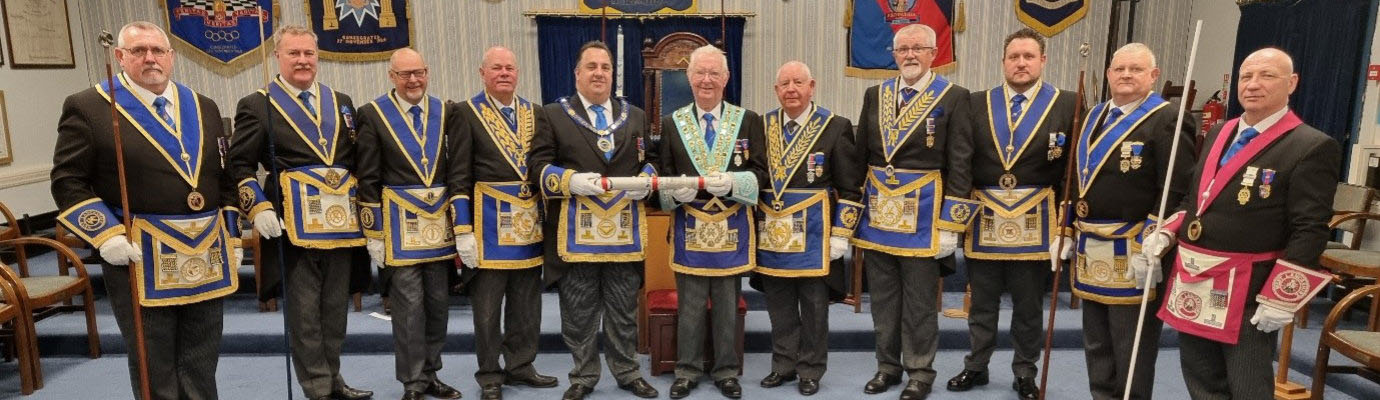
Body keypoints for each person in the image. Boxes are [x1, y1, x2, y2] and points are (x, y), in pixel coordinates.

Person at [51, 20, 238, 400]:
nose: (150, 58)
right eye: (138, 51)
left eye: (157, 51)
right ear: (120, 57)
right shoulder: (90, 107)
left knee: (202, 355)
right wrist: (106, 235)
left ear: (171, 57)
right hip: (140, 254)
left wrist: (232, 233)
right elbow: (68, 181)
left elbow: (225, 175)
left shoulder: (202, 105)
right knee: (155, 362)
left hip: (205, 249)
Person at [1145, 47, 1339, 400]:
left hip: (1250, 290)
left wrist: (1283, 296)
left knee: (1248, 386)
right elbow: (1196, 200)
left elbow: (1310, 227)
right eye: (1246, 76)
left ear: (1292, 83)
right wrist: (1166, 232)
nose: (1253, 85)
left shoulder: (1311, 145)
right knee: (1202, 381)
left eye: (1267, 76)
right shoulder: (1220, 131)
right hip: (1194, 276)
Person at [228, 25, 372, 400]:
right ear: (278, 56)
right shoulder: (257, 104)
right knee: (306, 314)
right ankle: (318, 388)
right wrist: (257, 206)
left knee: (335, 310)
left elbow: (354, 161)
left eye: (309, 53)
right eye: (294, 53)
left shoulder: (340, 100)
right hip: (292, 226)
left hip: (341, 225)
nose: (303, 60)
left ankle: (334, 378)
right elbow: (239, 166)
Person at [1049, 42, 1196, 400]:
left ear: (1153, 75)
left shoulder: (1168, 118)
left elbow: (1174, 188)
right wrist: (1065, 229)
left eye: (1136, 69)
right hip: (1089, 246)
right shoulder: (1094, 115)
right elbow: (1076, 178)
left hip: (1135, 248)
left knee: (1130, 346)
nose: (1126, 75)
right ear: (1110, 73)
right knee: (1096, 340)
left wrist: (1156, 239)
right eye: (1119, 69)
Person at [946, 28, 1076, 399]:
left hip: (1036, 220)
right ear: (1003, 62)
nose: (1021, 63)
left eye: (1028, 57)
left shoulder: (1067, 103)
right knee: (981, 303)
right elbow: (961, 161)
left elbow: (1072, 170)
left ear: (1042, 61)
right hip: (985, 216)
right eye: (1014, 57)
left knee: (1028, 306)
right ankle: (976, 366)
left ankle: (1024, 372)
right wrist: (954, 218)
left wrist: (1066, 226)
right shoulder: (975, 102)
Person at [528, 41, 659, 400]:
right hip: (575, 236)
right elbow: (536, 167)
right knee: (579, 310)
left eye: (605, 67)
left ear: (613, 74)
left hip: (623, 233)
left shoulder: (634, 116)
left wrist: (647, 177)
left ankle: (627, 372)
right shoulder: (553, 114)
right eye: (592, 66)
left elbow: (651, 158)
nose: (599, 73)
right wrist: (568, 180)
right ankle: (584, 376)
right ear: (577, 74)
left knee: (622, 309)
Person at [854, 23, 976, 400]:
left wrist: (950, 226)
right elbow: (861, 157)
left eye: (917, 48)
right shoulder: (876, 95)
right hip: (879, 217)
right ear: (893, 55)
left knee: (921, 303)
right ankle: (887, 367)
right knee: (884, 301)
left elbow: (961, 162)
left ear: (933, 52)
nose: (909, 55)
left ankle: (920, 372)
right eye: (902, 49)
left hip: (925, 220)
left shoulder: (954, 97)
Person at [450, 45, 560, 400]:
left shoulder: (536, 112)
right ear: (482, 72)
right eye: (496, 67)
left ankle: (521, 365)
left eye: (510, 68)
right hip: (488, 226)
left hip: (529, 224)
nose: (504, 73)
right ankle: (489, 373)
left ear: (518, 72)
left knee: (527, 304)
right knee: (487, 309)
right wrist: (462, 230)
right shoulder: (466, 112)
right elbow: (459, 175)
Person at [657, 44, 766, 400]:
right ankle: (686, 370)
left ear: (726, 78)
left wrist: (736, 182)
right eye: (700, 74)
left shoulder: (748, 120)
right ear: (689, 79)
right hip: (690, 225)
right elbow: (664, 175)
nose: (707, 80)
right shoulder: (673, 123)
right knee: (688, 305)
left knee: (726, 305)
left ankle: (726, 371)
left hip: (731, 225)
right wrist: (675, 194)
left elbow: (761, 171)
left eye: (713, 73)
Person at [355, 48, 465, 400]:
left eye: (418, 72)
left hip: (438, 228)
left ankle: (432, 373)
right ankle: (413, 382)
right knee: (409, 309)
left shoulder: (446, 111)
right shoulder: (372, 114)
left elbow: (457, 170)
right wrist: (373, 233)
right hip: (398, 230)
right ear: (392, 76)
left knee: (438, 304)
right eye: (405, 75)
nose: (413, 80)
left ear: (427, 72)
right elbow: (368, 177)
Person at [754, 60, 862, 396]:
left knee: (815, 307)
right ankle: (783, 364)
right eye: (784, 83)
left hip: (816, 236)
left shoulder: (835, 125)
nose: (790, 89)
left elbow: (850, 188)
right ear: (776, 90)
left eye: (797, 82)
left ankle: (811, 369)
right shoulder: (762, 125)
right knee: (779, 304)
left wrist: (841, 235)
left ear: (811, 86)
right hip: (773, 233)